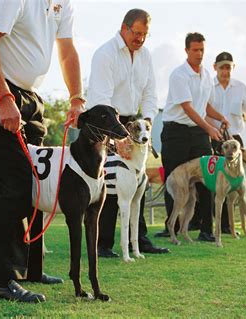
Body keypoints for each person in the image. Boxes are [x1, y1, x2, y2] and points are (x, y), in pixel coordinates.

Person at [0, 0, 85, 303]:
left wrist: (76, 97)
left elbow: (67, 50)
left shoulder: (62, 3)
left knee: (37, 179)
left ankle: (30, 268)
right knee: (16, 177)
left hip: (30, 96)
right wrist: (4, 98)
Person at [86, 8, 169, 258]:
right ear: (124, 27)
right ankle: (102, 244)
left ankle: (139, 240)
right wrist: (116, 136)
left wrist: (147, 122)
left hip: (134, 122)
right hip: (105, 120)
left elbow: (151, 94)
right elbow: (101, 99)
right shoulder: (105, 54)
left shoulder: (146, 57)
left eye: (145, 34)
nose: (140, 39)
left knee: (137, 179)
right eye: (137, 33)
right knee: (108, 183)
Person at [154, 32, 230, 242]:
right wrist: (209, 128)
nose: (199, 54)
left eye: (202, 50)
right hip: (175, 132)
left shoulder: (206, 75)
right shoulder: (178, 75)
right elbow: (187, 107)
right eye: (195, 50)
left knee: (208, 180)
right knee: (174, 179)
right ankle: (173, 228)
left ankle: (207, 230)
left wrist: (220, 117)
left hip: (197, 134)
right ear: (186, 50)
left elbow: (204, 105)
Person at [208, 51, 246, 233]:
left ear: (233, 67)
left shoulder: (241, 87)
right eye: (222, 67)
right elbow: (202, 110)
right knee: (213, 183)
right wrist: (211, 129)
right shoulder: (208, 85)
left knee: (235, 183)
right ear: (215, 67)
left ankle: (229, 226)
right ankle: (207, 224)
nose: (225, 71)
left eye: (228, 67)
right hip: (214, 137)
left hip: (235, 140)